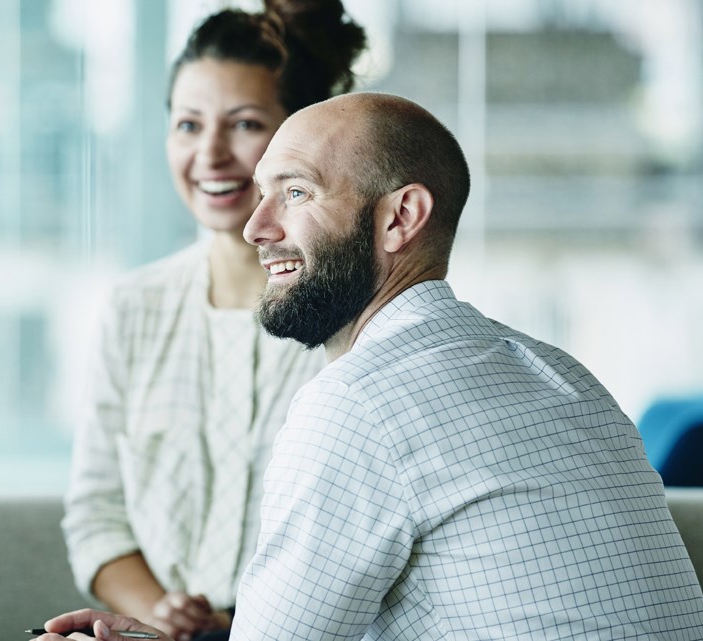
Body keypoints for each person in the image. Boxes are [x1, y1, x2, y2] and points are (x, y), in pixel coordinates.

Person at [37, 93, 703, 640]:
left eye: (294, 193)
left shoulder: (359, 403)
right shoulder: (563, 375)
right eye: (262, 193)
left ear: (400, 218)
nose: (256, 226)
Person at [60, 3, 365, 640]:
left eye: (246, 124)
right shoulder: (132, 308)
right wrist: (160, 614)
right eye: (188, 125)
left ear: (298, 140)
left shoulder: (355, 320)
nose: (211, 154)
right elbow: (96, 516)